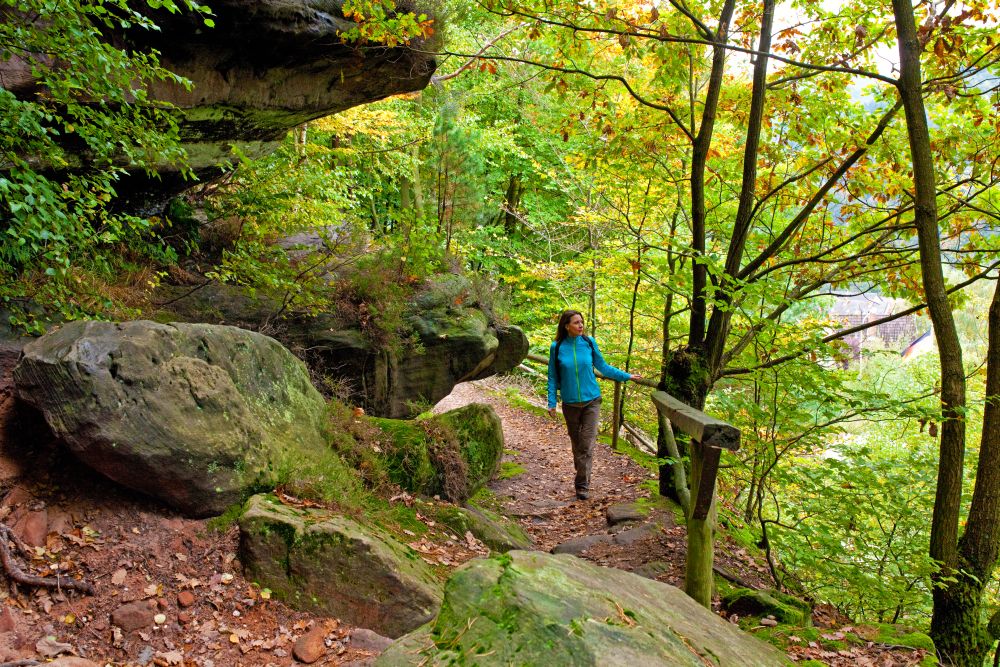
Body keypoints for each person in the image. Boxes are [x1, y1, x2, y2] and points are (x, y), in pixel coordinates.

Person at [547, 310, 640, 500]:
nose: (581, 325)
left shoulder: (589, 343)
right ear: (566, 326)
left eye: (582, 322)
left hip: (592, 401)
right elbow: (552, 377)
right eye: (576, 323)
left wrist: (627, 376)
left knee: (586, 445)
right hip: (570, 404)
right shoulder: (556, 347)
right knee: (577, 445)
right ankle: (582, 477)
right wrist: (551, 402)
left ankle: (582, 485)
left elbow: (603, 367)